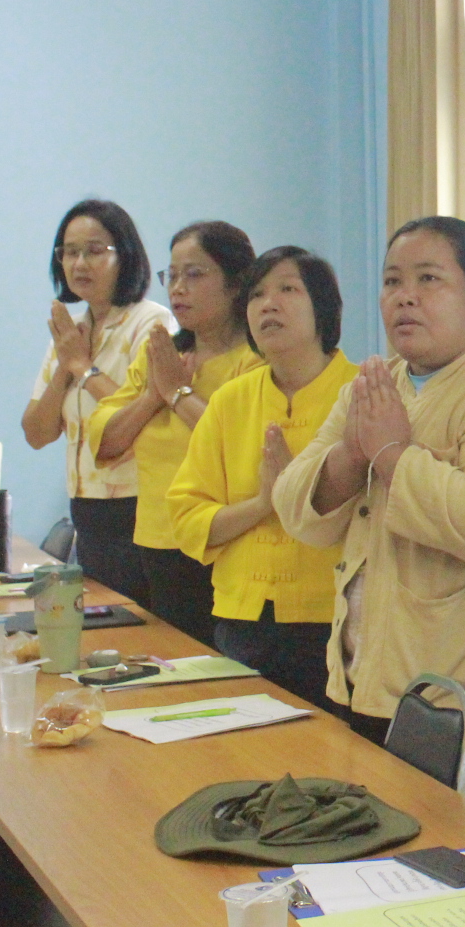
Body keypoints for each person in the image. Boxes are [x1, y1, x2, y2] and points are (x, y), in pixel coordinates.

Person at [274, 216, 465, 840]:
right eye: (391, 281)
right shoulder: (377, 382)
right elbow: (298, 510)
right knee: (382, 871)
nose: (404, 296)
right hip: (373, 680)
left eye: (428, 279)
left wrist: (388, 457)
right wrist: (353, 456)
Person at [167, 247, 358, 710]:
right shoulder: (231, 401)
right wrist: (262, 505)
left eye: (287, 289)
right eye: (256, 295)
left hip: (339, 621)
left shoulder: (362, 391)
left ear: (323, 308)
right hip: (243, 619)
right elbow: (186, 516)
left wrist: (297, 496)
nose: (267, 304)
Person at [85, 221, 261, 643]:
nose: (177, 288)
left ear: (236, 284)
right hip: (157, 544)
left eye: (195, 274)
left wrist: (177, 392)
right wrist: (153, 396)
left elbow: (235, 446)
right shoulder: (163, 355)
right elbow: (106, 441)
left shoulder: (255, 362)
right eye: (172, 276)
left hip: (226, 545)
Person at [22, 198, 174, 597]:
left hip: (139, 511)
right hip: (87, 514)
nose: (79, 263)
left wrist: (82, 369)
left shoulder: (151, 323)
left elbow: (141, 414)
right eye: (69, 252)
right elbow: (36, 432)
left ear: (125, 256)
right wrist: (66, 365)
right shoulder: (72, 330)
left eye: (93, 251)